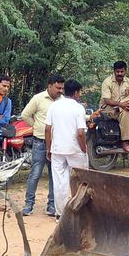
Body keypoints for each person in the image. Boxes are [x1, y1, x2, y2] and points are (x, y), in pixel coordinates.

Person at [19, 74, 64, 215]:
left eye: (62, 88)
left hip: (56, 143)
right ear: (49, 86)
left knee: (54, 175)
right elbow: (25, 114)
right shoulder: (38, 98)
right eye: (58, 88)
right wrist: (37, 126)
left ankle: (51, 205)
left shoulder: (62, 101)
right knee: (35, 174)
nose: (60, 91)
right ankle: (28, 205)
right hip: (39, 142)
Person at [44, 79, 88, 210]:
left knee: (59, 182)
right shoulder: (78, 108)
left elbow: (47, 128)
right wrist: (84, 148)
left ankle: (60, 213)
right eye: (79, 92)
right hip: (74, 148)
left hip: (57, 149)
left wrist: (48, 148)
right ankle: (80, 209)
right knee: (81, 180)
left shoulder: (54, 106)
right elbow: (80, 133)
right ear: (75, 93)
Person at [99, 61, 129, 153]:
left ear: (125, 71)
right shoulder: (107, 82)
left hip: (121, 108)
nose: (119, 74)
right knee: (124, 112)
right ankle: (125, 141)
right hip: (108, 109)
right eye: (117, 72)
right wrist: (121, 105)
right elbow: (107, 101)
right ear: (114, 71)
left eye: (122, 72)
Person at [0, 75, 13, 155]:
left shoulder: (7, 102)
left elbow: (5, 121)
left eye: (8, 87)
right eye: (4, 86)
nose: (6, 89)